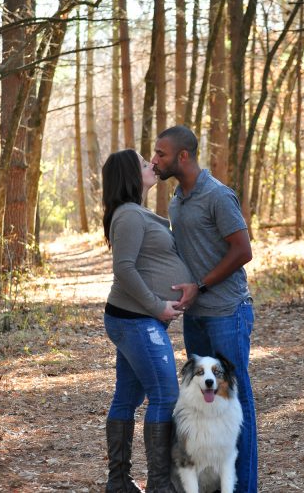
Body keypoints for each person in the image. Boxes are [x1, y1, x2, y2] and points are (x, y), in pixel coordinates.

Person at [151, 125, 258, 493]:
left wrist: (202, 285)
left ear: (183, 156)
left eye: (161, 153)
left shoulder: (217, 195)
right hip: (196, 315)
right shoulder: (176, 201)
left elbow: (243, 251)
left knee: (235, 403)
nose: (155, 159)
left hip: (228, 311)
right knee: (204, 401)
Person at [102, 149, 190, 493]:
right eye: (142, 164)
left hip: (135, 320)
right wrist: (157, 307)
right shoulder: (128, 216)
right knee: (166, 395)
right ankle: (158, 485)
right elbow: (123, 269)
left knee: (127, 397)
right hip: (137, 321)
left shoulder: (136, 213)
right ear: (130, 176)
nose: (151, 165)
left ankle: (119, 482)